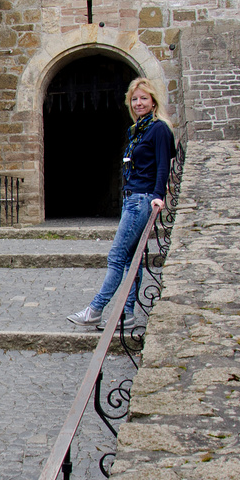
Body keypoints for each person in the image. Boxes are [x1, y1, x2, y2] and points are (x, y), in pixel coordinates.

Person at [67, 78, 175, 329]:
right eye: (134, 99)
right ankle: (127, 315)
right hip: (133, 199)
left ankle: (95, 309)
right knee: (130, 260)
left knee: (116, 257)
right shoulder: (138, 130)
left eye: (143, 98)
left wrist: (159, 195)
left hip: (142, 199)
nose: (139, 103)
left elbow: (163, 166)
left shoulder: (158, 129)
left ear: (153, 101)